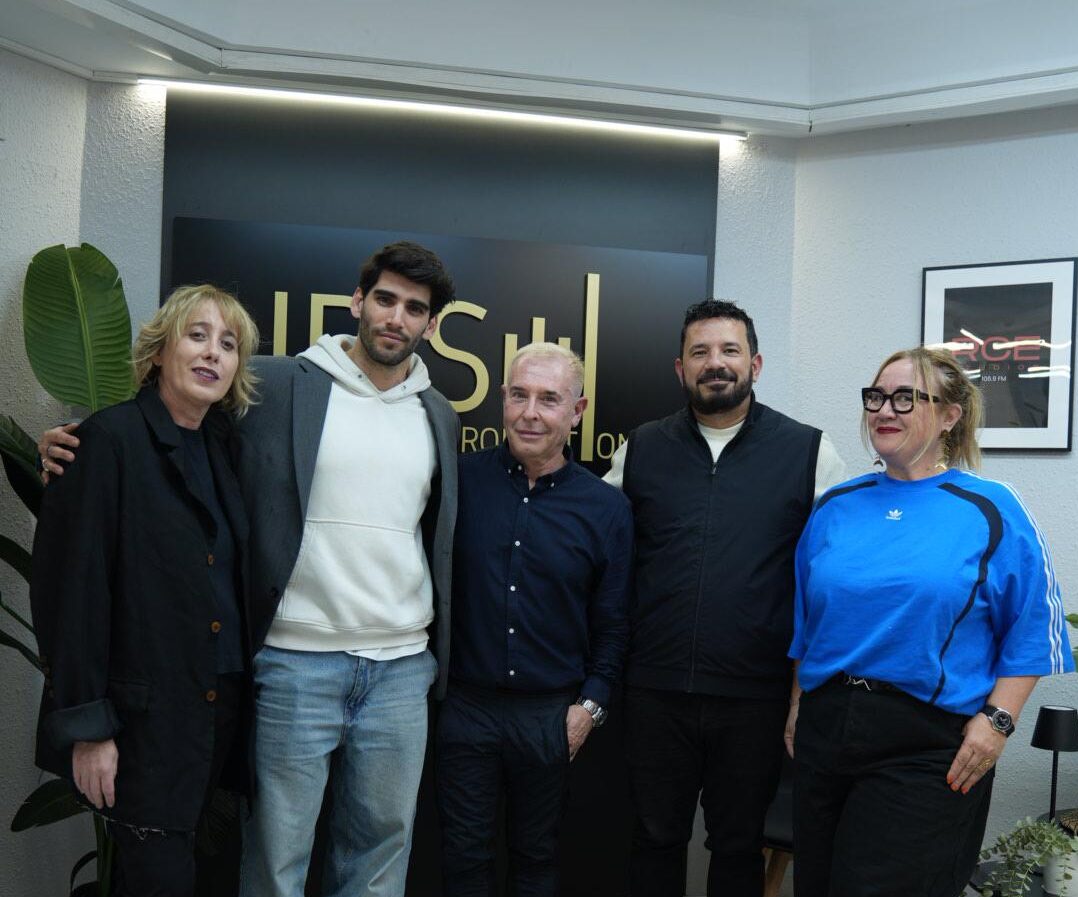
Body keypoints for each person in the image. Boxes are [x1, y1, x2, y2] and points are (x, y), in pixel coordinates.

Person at [38, 241, 460, 897]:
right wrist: (73, 441)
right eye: (384, 298)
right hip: (297, 664)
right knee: (274, 861)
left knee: (379, 857)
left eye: (414, 308)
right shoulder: (279, 384)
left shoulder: (438, 414)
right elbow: (162, 423)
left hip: (400, 670)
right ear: (357, 300)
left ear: (429, 325)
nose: (396, 317)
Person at [787, 346, 1074, 897]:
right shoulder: (836, 505)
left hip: (925, 743)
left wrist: (998, 723)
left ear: (949, 415)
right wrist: (799, 702)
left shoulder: (992, 508)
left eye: (905, 398)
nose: (884, 410)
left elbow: (1032, 628)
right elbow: (807, 620)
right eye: (876, 397)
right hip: (828, 727)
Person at [604, 299, 847, 897]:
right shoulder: (641, 449)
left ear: (756, 364)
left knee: (738, 847)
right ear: (679, 369)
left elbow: (833, 584)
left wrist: (800, 693)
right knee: (653, 837)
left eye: (730, 350)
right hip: (654, 691)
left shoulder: (810, 452)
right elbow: (602, 559)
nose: (716, 364)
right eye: (700, 352)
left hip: (754, 697)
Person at [31, 285, 259, 897]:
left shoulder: (223, 446)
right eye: (197, 335)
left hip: (213, 711)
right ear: (159, 351)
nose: (213, 352)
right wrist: (89, 730)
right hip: (141, 721)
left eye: (229, 343)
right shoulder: (106, 442)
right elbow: (70, 596)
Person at [437, 342, 633, 897]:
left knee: (537, 859)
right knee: (462, 858)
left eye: (549, 399)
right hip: (466, 708)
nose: (530, 412)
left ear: (577, 411)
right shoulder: (459, 482)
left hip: (550, 714)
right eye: (519, 395)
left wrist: (589, 709)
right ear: (502, 400)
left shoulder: (605, 508)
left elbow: (615, 621)